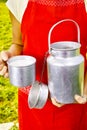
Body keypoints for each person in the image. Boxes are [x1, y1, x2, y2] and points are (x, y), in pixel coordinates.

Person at [0, 0, 87, 129]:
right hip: (33, 98)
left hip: (74, 95)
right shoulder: (19, 2)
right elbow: (18, 43)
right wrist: (12, 56)